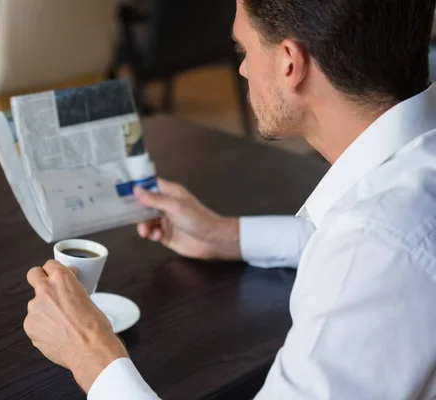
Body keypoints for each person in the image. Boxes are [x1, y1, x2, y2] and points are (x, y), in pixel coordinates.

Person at [22, 0, 436, 398]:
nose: (240, 67)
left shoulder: (376, 246)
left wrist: (91, 353)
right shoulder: (410, 177)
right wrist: (223, 235)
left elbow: (375, 254)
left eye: (243, 48)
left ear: (290, 64)